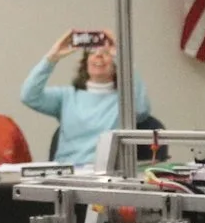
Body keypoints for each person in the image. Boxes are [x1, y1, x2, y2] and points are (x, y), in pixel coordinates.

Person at [23, 29, 151, 169]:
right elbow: (28, 96)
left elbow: (142, 110)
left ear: (116, 65)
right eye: (92, 52)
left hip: (106, 174)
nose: (98, 56)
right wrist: (52, 57)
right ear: (85, 62)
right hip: (67, 174)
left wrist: (123, 59)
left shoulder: (123, 100)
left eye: (106, 54)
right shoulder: (66, 96)